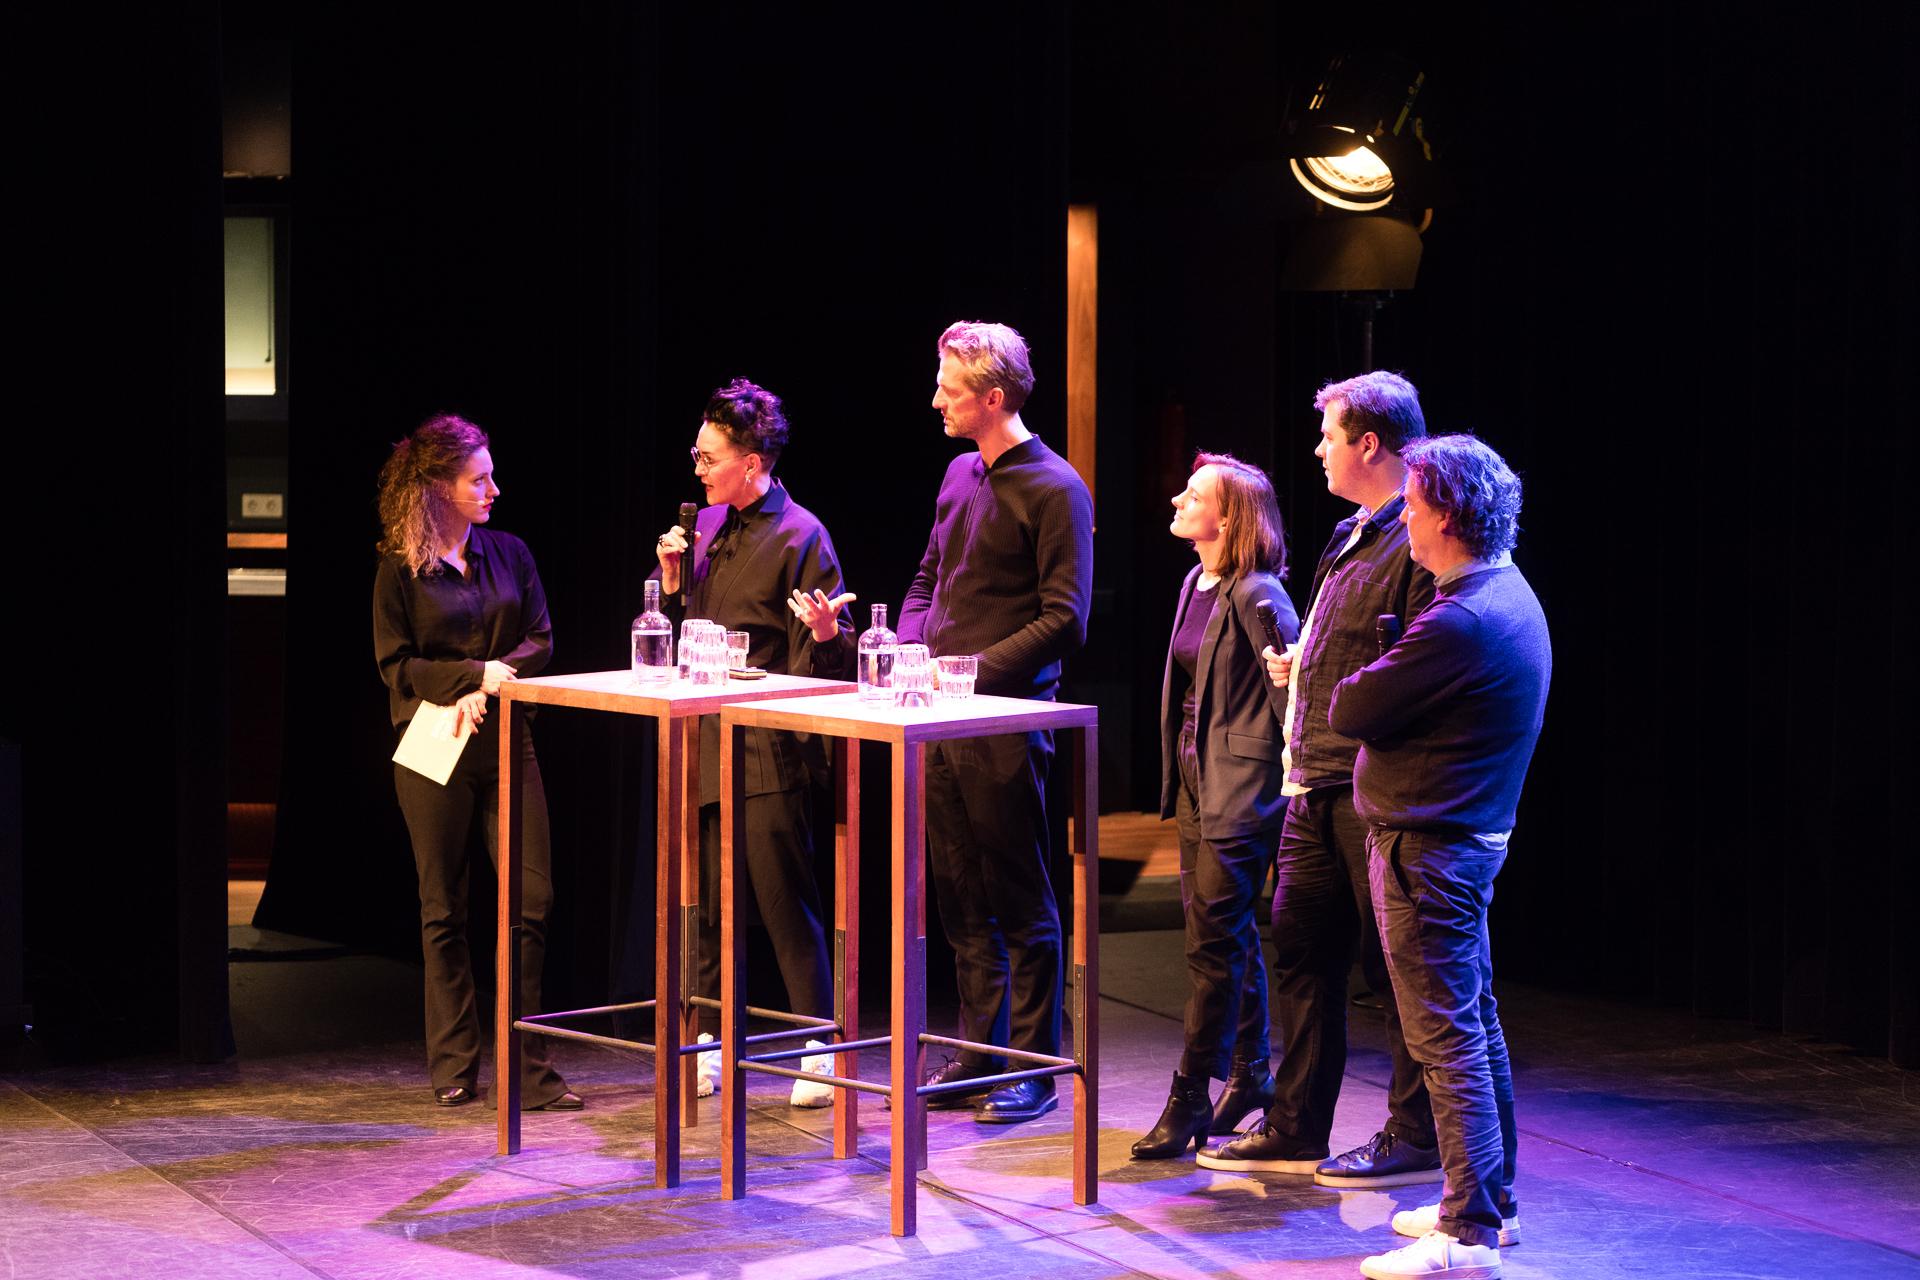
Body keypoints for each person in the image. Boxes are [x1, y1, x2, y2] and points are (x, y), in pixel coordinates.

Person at [1199, 371, 1438, 1181]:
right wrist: (1304, 662)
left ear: (1369, 444)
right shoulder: (1348, 532)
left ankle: (1414, 1135)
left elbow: (1420, 656)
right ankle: (1297, 1124)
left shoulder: (1419, 537)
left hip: (1370, 784)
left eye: (1328, 436)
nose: (1317, 450)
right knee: (1301, 950)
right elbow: (1352, 640)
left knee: (1393, 968)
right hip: (1313, 781)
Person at [1329, 433, 1549, 1280]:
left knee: (1448, 1040)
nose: (1405, 523)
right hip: (1455, 845)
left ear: (1448, 516)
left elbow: (1351, 706)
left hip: (1431, 852)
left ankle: (1468, 1230)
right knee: (1473, 1028)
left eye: (1414, 508)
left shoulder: (1460, 620)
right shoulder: (1503, 593)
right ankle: (1492, 1202)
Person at [897, 320, 1094, 1123]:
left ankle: (1036, 1066)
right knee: (959, 892)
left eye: (949, 389)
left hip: (1006, 724)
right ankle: (982, 1053)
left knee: (1018, 894)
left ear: (993, 397)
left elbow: (1066, 618)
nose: (935, 400)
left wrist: (966, 673)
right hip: (940, 719)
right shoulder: (958, 474)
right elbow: (928, 578)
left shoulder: (1056, 488)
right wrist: (909, 650)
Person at [652, 378, 856, 1108]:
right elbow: (686, 632)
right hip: (705, 738)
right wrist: (671, 583)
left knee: (782, 902)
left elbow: (830, 652)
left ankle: (821, 1046)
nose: (698, 469)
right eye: (696, 454)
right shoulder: (708, 527)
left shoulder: (802, 534)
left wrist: (828, 633)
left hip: (769, 748)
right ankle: (707, 1042)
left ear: (752, 463)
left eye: (709, 458)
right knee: (706, 907)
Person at [372, 414, 579, 1110]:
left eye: (491, 477)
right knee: (444, 907)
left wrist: (490, 680)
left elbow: (540, 639)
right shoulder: (399, 567)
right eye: (478, 480)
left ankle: (528, 1069)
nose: (493, 489)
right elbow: (397, 665)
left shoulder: (510, 553)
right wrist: (469, 678)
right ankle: (455, 1065)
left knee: (532, 900)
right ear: (439, 487)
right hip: (433, 744)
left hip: (505, 739)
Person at [1131, 454, 1299, 1160]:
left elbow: (1292, 697)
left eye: (1193, 494)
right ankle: (1251, 1072)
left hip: (1242, 785)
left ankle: (1190, 1092)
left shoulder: (1261, 593)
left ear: (1227, 519)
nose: (1177, 498)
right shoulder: (1195, 582)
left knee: (1211, 946)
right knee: (1221, 936)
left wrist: (1294, 786)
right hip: (1196, 777)